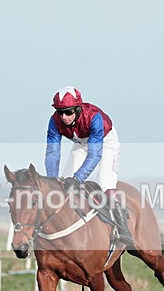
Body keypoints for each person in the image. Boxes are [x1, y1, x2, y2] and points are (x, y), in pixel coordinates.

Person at [44, 85, 134, 247]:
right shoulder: (54, 121)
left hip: (105, 142)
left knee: (105, 183)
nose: (64, 117)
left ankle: (123, 229)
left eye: (68, 112)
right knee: (62, 185)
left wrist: (78, 178)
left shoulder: (94, 117)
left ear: (78, 108)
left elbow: (95, 155)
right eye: (60, 112)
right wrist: (51, 180)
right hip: (81, 144)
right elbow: (52, 153)